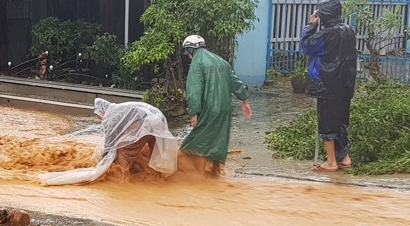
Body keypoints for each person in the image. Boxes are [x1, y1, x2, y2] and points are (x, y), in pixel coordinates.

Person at [40, 98, 178, 185]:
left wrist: (103, 161)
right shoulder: (116, 109)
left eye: (98, 115)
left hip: (148, 122)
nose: (98, 118)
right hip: (158, 119)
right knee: (156, 153)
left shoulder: (110, 116)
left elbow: (111, 142)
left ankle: (122, 181)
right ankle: (160, 178)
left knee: (124, 152)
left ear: (102, 111)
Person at [179, 34, 252, 176]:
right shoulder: (222, 61)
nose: (188, 57)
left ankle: (196, 177)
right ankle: (216, 174)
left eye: (188, 53)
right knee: (219, 140)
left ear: (191, 50)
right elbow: (235, 82)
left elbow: (194, 89)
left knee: (196, 143)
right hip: (225, 109)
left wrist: (194, 113)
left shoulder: (197, 63)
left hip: (210, 109)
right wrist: (245, 100)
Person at [300, 0, 357, 172]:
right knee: (341, 121)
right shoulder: (348, 30)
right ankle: (344, 158)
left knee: (327, 123)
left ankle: (331, 162)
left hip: (327, 83)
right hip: (345, 85)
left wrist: (311, 27)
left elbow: (307, 46)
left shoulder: (327, 33)